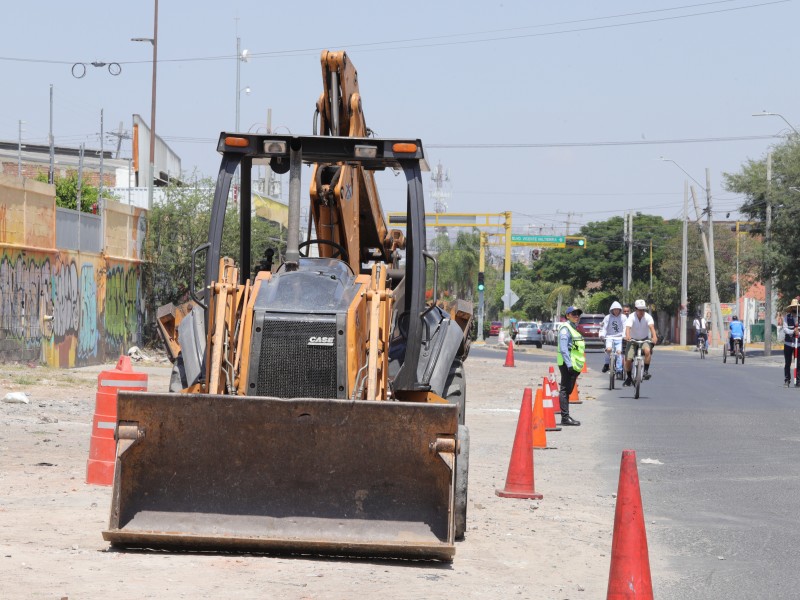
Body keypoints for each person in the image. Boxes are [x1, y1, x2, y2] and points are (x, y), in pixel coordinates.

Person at [557, 306, 585, 426]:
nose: (576, 316)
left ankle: (566, 416)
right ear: (567, 315)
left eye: (578, 314)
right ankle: (565, 417)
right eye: (574, 314)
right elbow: (564, 349)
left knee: (567, 390)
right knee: (564, 389)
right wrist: (569, 365)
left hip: (572, 364)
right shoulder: (565, 328)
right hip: (567, 363)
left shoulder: (573, 327)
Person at [623, 299, 658, 386]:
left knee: (647, 351)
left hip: (644, 339)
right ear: (636, 309)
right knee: (628, 359)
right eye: (640, 309)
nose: (642, 311)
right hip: (633, 340)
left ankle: (646, 371)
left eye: (643, 309)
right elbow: (628, 328)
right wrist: (627, 336)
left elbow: (652, 328)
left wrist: (654, 336)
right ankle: (629, 377)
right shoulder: (631, 316)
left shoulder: (648, 317)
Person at [600, 301, 625, 374]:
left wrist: (624, 336)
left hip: (619, 338)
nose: (616, 311)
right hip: (609, 337)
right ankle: (607, 364)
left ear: (620, 310)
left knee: (619, 352)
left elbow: (625, 328)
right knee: (608, 349)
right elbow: (603, 327)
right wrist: (602, 335)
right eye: (615, 309)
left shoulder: (623, 317)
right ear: (612, 310)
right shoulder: (607, 317)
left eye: (618, 309)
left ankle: (619, 369)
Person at [783, 299, 800, 387]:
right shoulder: (787, 317)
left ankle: (798, 380)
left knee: (798, 363)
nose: (795, 308)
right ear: (791, 307)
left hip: (798, 344)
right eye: (793, 307)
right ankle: (787, 380)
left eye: (796, 307)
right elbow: (785, 329)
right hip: (788, 344)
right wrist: (793, 331)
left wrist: (798, 333)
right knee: (787, 363)